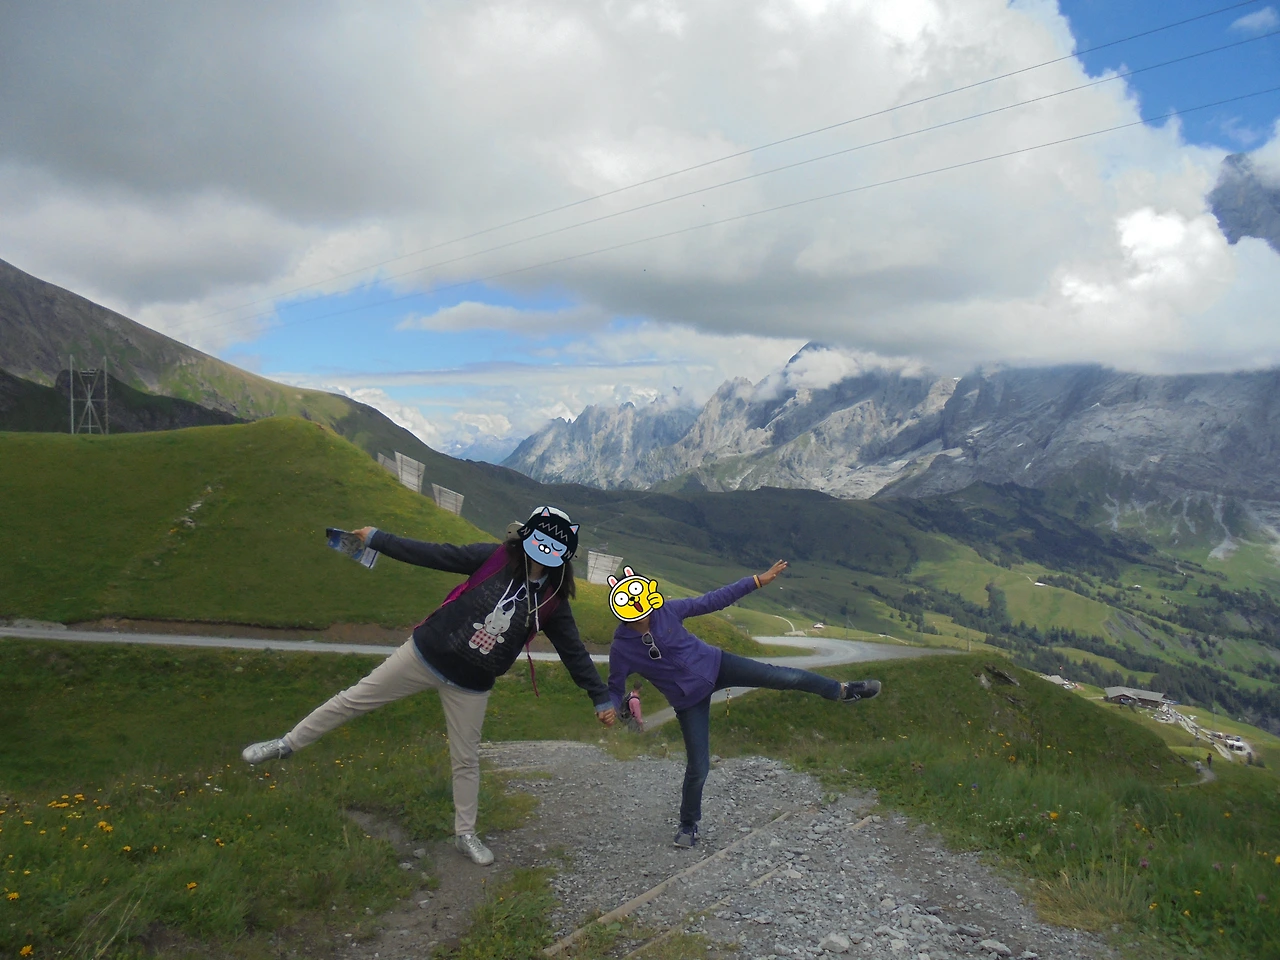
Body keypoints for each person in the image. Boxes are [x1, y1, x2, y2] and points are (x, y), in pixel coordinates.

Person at [241, 506, 617, 865]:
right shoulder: (494, 558)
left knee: (465, 760)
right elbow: (433, 554)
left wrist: (600, 697)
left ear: (565, 554)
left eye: (555, 545)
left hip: (471, 685)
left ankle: (464, 834)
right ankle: (286, 744)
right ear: (527, 535)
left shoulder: (553, 601)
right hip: (423, 655)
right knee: (352, 700)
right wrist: (377, 538)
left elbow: (574, 652)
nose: (545, 549)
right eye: (541, 540)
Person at [606, 560, 880, 849]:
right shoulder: (622, 647)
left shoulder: (668, 611)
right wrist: (609, 706)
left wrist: (757, 581)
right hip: (688, 700)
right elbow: (614, 686)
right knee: (698, 766)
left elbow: (713, 600)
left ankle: (843, 691)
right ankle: (688, 825)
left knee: (783, 676)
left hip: (718, 664)